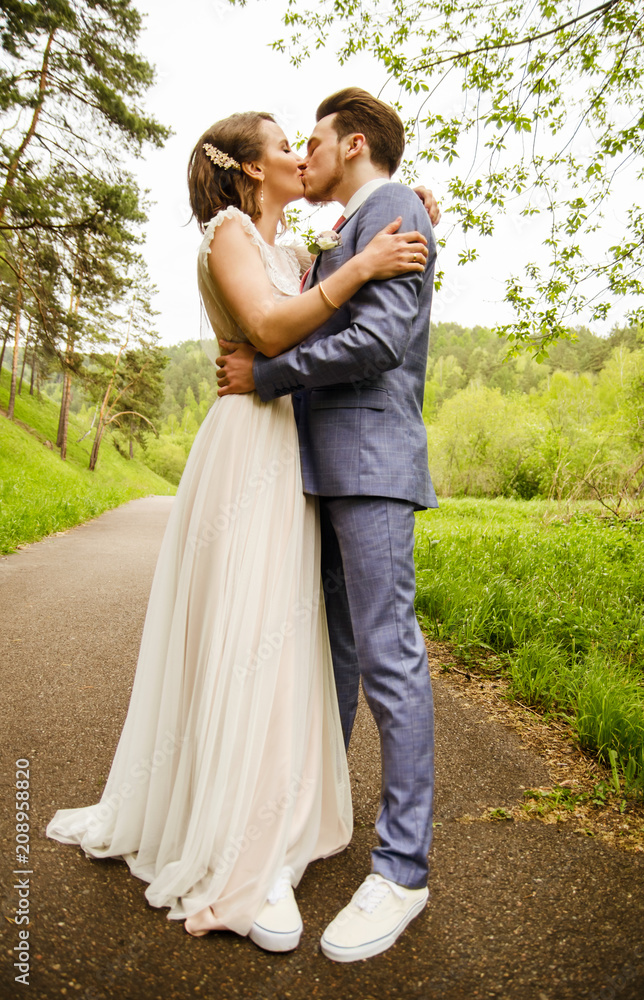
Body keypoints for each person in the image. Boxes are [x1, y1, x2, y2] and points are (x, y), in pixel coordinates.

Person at [45, 106, 433, 954]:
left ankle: (299, 819)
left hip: (299, 448)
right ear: (251, 170)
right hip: (252, 446)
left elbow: (354, 304)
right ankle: (236, 834)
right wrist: (363, 258)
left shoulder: (304, 248)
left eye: (311, 141)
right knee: (250, 632)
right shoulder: (229, 232)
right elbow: (265, 327)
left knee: (295, 641)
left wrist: (388, 233)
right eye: (285, 144)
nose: (300, 154)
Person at [216, 87, 439, 963]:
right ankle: (318, 819)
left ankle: (402, 870)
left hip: (372, 464)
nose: (304, 153)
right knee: (338, 658)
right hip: (330, 470)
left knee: (388, 654)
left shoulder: (388, 204)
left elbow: (381, 338)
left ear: (352, 145)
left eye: (313, 140)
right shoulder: (357, 225)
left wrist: (271, 378)